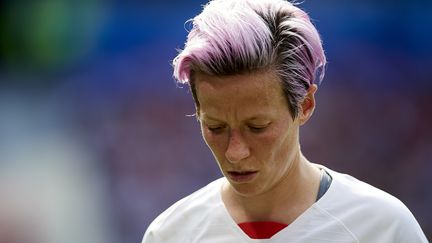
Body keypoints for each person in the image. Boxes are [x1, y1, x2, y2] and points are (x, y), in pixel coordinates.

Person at [142, 0, 428, 242]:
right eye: (216, 127)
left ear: (305, 105)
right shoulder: (171, 234)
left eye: (257, 127)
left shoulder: (383, 229)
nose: (235, 152)